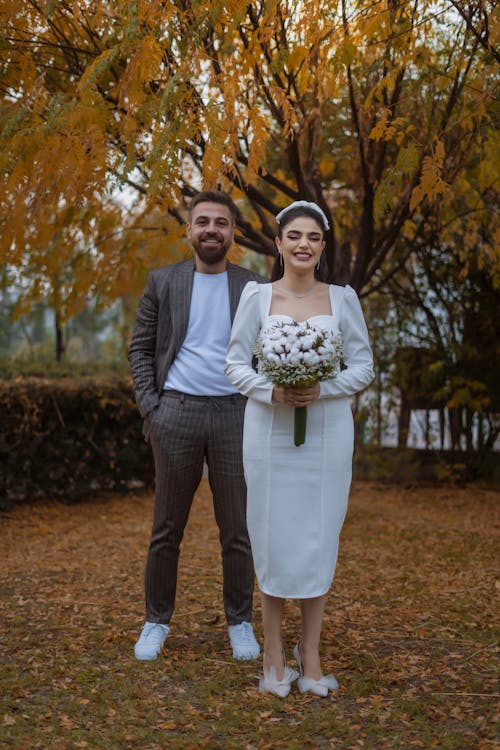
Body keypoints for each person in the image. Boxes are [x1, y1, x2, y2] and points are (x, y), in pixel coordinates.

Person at [225, 200, 374, 697]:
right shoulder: (257, 297)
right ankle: (271, 654)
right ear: (279, 244)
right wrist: (274, 390)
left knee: (317, 536)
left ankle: (309, 654)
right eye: (294, 236)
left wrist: (321, 388)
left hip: (327, 436)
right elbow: (234, 364)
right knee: (271, 537)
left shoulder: (343, 299)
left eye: (312, 237)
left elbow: (363, 366)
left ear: (322, 246)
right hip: (269, 433)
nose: (303, 244)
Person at [128, 190, 266, 662]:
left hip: (236, 415)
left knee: (239, 530)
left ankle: (240, 621)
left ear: (233, 233)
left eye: (221, 223)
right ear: (188, 230)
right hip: (177, 415)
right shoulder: (163, 282)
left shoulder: (253, 288)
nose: (211, 229)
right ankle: (156, 621)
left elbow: (267, 355)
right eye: (202, 221)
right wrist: (153, 408)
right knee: (166, 527)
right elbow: (140, 349)